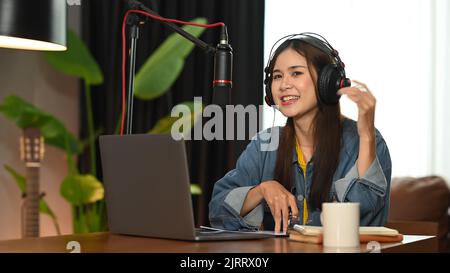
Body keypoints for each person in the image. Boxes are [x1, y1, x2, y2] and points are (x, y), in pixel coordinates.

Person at [208, 33, 392, 233]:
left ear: (327, 81)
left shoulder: (366, 141)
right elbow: (217, 211)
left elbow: (367, 221)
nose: (284, 84)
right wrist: (260, 190)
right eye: (277, 76)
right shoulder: (265, 144)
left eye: (296, 73)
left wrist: (366, 137)